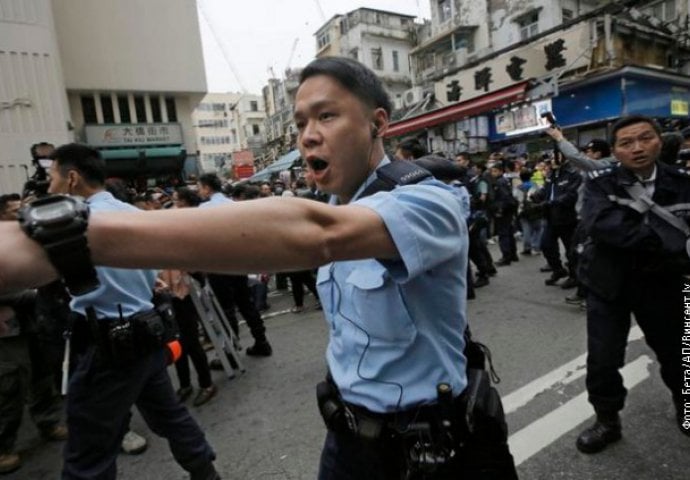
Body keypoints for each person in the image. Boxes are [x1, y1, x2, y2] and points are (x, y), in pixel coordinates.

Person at [0, 57, 516, 478]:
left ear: (378, 122)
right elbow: (239, 223)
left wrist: (72, 238)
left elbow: (314, 236)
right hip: (350, 441)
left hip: (436, 449)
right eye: (300, 123)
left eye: (327, 116)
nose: (308, 136)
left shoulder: (429, 200)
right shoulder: (333, 202)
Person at [41, 144, 220, 479]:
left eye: (52, 176)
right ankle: (206, 473)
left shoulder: (70, 225)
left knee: (88, 449)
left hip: (106, 345)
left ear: (72, 178)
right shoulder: (136, 215)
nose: (48, 185)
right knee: (170, 417)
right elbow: (154, 276)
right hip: (146, 335)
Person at [576, 115, 690, 454]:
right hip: (609, 284)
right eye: (627, 143)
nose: (637, 148)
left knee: (678, 352)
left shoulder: (683, 181)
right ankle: (606, 419)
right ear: (615, 151)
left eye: (645, 138)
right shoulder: (599, 182)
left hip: (664, 285)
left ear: (660, 140)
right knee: (603, 358)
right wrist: (670, 242)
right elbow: (605, 226)